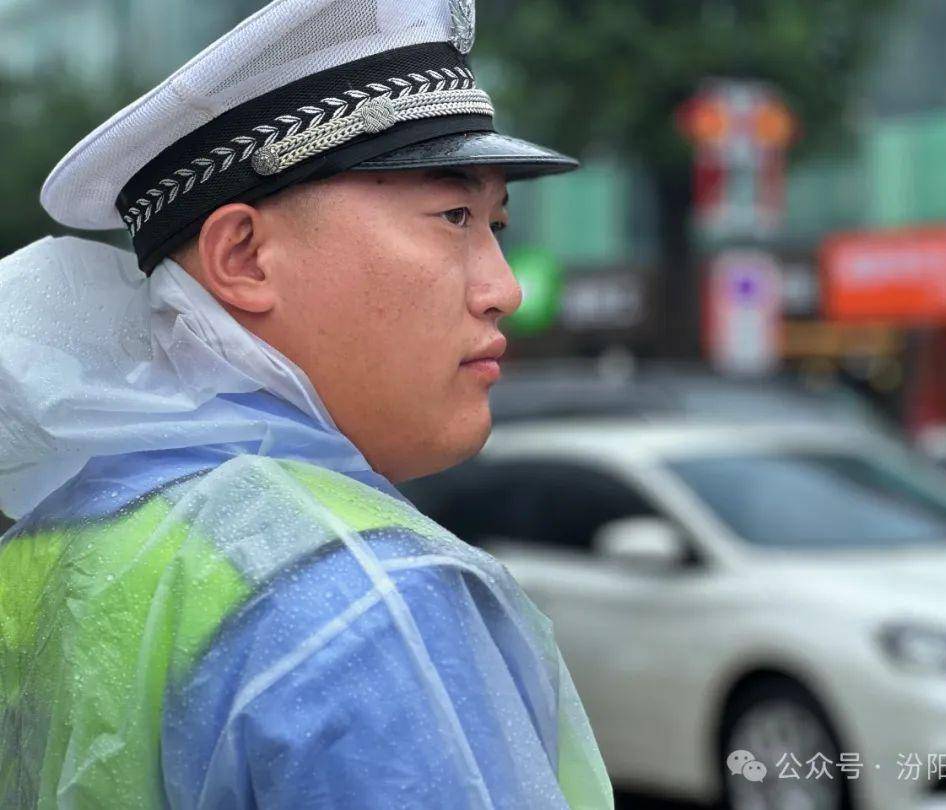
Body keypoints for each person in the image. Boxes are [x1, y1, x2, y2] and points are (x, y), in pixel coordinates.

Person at [0, 1, 614, 808]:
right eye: (454, 216)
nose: (505, 288)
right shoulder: (375, 602)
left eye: (496, 224)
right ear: (244, 257)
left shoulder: (63, 538)